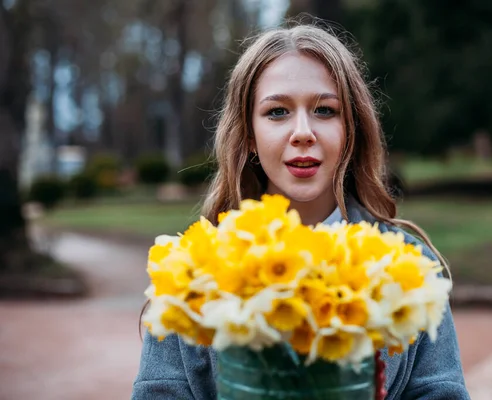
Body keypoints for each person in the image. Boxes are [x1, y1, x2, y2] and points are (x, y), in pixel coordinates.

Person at [132, 22, 470, 399]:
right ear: (249, 136)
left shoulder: (409, 265)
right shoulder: (193, 276)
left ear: (350, 130)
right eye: (277, 112)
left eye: (325, 110)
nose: (303, 132)